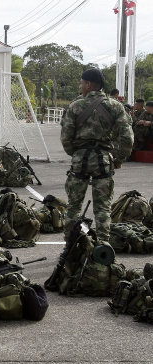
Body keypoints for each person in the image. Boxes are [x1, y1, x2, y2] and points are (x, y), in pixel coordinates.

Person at [60, 69, 133, 245]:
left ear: (89, 85)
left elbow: (66, 137)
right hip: (103, 161)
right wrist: (118, 159)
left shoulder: (75, 106)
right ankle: (103, 246)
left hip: (80, 161)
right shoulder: (115, 106)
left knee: (74, 206)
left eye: (81, 83)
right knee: (102, 208)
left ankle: (71, 245)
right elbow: (127, 138)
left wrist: (75, 153)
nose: (80, 86)